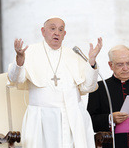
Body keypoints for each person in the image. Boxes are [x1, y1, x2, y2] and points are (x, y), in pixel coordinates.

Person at [7, 16, 103, 148]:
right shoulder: (29, 52)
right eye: (52, 29)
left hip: (73, 117)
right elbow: (15, 78)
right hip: (42, 118)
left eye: (60, 30)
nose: (56, 32)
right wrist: (19, 58)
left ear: (64, 34)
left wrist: (91, 61)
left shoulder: (73, 55)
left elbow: (87, 87)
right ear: (43, 31)